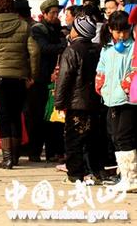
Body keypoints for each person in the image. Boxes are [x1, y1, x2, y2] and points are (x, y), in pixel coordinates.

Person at [0, 0, 39, 169]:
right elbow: (34, 52)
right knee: (16, 116)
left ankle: (7, 158)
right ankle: (17, 155)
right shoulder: (23, 25)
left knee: (3, 117)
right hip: (19, 76)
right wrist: (31, 75)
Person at [54, 15, 102, 184]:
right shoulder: (98, 49)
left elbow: (64, 78)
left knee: (73, 139)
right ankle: (95, 171)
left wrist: (58, 102)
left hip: (76, 103)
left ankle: (75, 174)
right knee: (93, 138)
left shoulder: (72, 50)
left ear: (78, 30)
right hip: (96, 102)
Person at [95, 10, 137, 191]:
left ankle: (132, 178)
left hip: (127, 100)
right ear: (110, 29)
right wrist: (100, 84)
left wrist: (126, 85)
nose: (122, 35)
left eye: (125, 30)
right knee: (115, 136)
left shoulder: (133, 47)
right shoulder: (107, 48)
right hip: (110, 99)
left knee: (124, 136)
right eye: (118, 31)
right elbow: (101, 68)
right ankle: (125, 176)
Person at [28, 0, 66, 163]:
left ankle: (53, 151)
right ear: (44, 14)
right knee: (38, 116)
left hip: (54, 77)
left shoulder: (55, 27)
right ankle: (35, 152)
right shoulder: (38, 29)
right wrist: (63, 45)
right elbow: (43, 48)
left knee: (53, 116)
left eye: (57, 13)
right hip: (40, 77)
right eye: (52, 13)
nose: (55, 16)